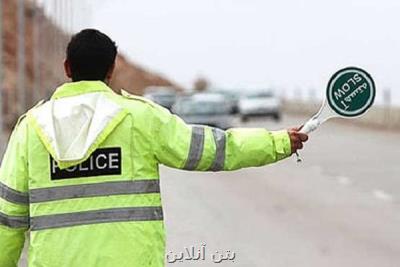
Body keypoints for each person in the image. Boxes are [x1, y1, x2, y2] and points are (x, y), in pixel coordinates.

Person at [0, 29, 308, 267]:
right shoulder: (138, 117)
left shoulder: (31, 128)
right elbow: (216, 149)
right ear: (111, 70)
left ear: (67, 68)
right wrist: (279, 141)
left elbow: (8, 218)